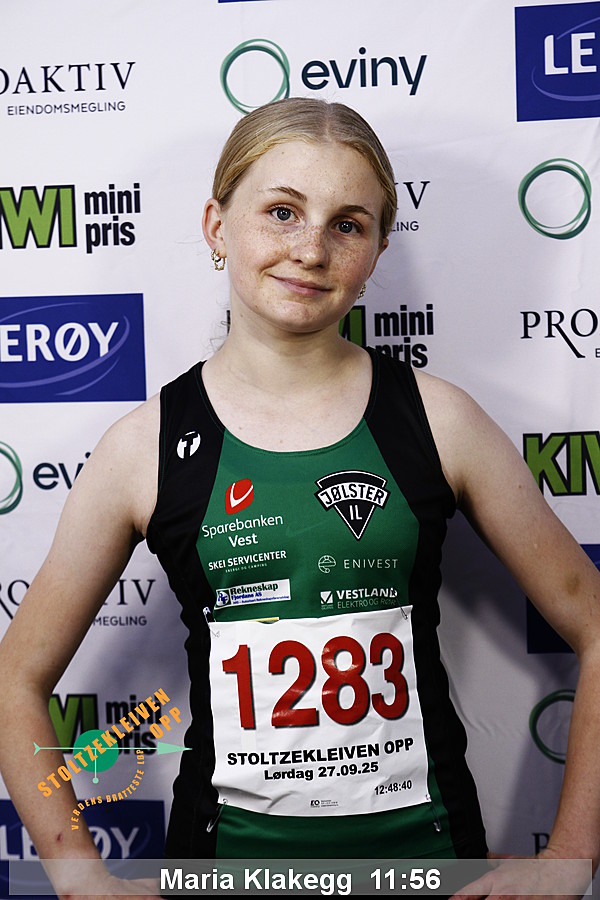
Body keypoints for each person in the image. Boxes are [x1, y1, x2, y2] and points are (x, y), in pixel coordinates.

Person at [0, 97, 598, 899]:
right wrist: (77, 876)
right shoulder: (141, 449)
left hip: (426, 873)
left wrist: (572, 855)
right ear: (217, 226)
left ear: (378, 249)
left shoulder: (441, 420)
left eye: (348, 225)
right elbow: (14, 680)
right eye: (281, 212)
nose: (311, 250)